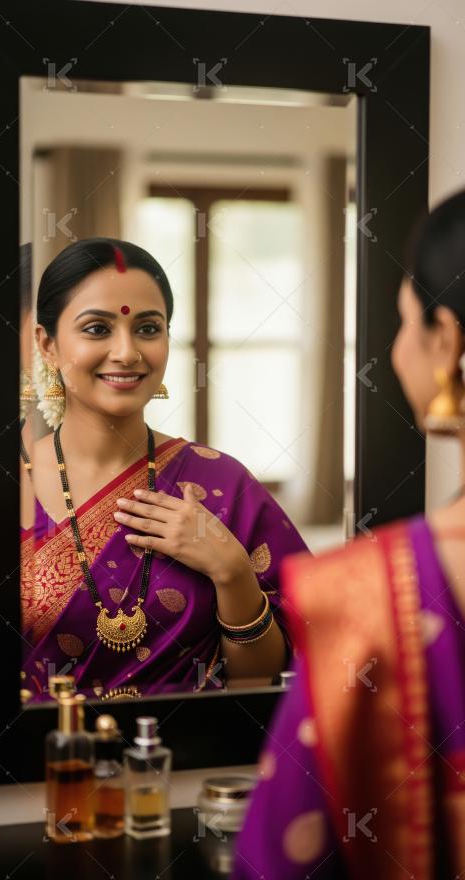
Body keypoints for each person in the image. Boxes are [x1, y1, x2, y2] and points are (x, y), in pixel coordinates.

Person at [231, 189, 465, 879]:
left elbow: (283, 861)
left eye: (402, 320)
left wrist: (231, 578)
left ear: (446, 340)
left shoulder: (371, 599)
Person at [19, 237, 309, 702]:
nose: (127, 352)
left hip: (188, 764)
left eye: (148, 328)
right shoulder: (6, 487)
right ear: (48, 344)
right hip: (34, 768)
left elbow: (258, 689)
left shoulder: (221, 485)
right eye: (97, 329)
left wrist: (233, 573)